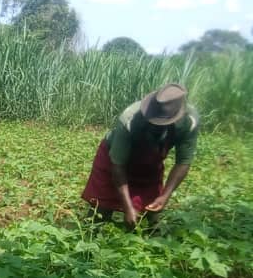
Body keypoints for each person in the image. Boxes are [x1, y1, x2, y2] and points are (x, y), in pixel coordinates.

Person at [81, 83, 199, 229]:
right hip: (115, 156)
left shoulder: (189, 122)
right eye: (154, 122)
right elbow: (117, 166)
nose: (157, 125)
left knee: (151, 207)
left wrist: (165, 196)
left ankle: (150, 241)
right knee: (101, 206)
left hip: (151, 160)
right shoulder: (130, 118)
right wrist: (127, 206)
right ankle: (88, 241)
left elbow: (183, 162)